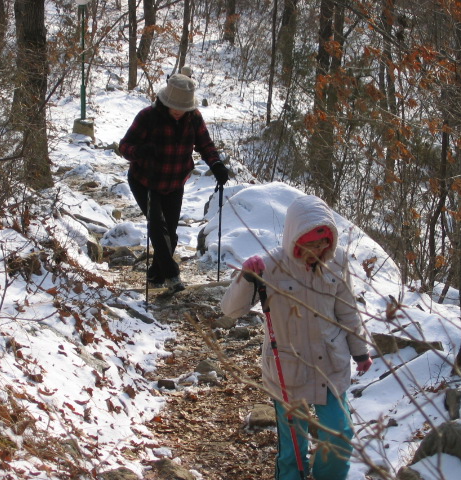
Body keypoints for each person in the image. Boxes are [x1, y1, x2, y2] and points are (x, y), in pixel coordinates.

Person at [220, 195, 372, 480]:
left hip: (331, 364)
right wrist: (246, 277)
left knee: (339, 435)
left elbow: (348, 310)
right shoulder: (269, 265)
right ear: (294, 237)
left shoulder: (337, 261)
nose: (318, 250)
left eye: (323, 242)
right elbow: (231, 309)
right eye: (311, 243)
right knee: (293, 452)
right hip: (287, 370)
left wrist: (360, 352)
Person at [119, 69, 229, 293]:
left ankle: (155, 274)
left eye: (184, 108)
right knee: (158, 228)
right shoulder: (147, 117)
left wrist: (216, 165)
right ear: (166, 101)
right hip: (145, 180)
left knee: (170, 230)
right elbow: (124, 147)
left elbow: (205, 144)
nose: (179, 112)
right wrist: (142, 151)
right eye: (175, 107)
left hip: (175, 181)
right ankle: (171, 274)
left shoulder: (193, 118)